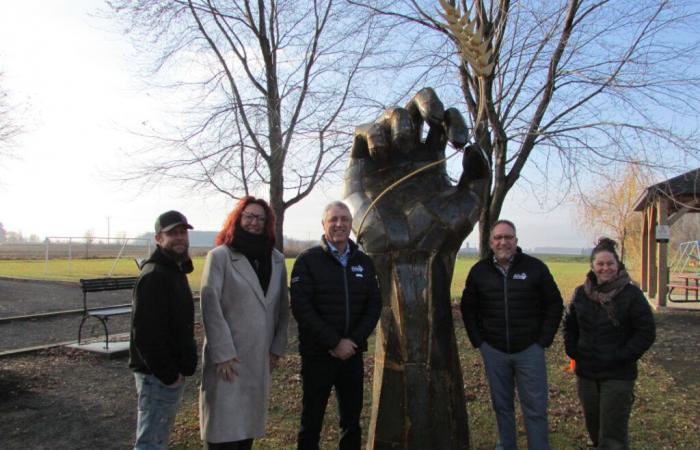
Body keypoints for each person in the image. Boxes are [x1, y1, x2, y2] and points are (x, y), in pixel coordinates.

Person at [460, 219, 564, 450]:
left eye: (508, 237)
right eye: (498, 238)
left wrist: (542, 341)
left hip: (530, 351)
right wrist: (480, 342)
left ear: (516, 241)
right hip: (494, 351)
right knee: (502, 405)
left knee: (535, 407)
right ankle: (506, 445)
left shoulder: (535, 268)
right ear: (490, 242)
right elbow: (469, 309)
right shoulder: (479, 271)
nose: (503, 242)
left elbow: (555, 304)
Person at [199, 197, 289, 450]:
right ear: (238, 218)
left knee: (245, 434)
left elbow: (283, 307)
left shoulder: (276, 260)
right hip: (229, 359)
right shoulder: (220, 257)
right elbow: (210, 305)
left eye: (260, 218)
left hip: (259, 358)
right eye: (249, 216)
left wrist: (276, 348)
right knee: (222, 433)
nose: (254, 222)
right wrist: (223, 353)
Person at [290, 201, 382, 450]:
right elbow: (302, 308)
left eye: (344, 219)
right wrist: (333, 342)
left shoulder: (364, 262)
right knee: (311, 422)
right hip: (317, 355)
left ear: (352, 225)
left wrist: (351, 342)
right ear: (323, 224)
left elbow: (374, 305)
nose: (339, 224)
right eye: (333, 219)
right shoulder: (307, 261)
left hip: (351, 356)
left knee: (351, 422)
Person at [563, 238, 655, 450]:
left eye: (610, 263)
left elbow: (646, 332)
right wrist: (573, 350)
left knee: (613, 434)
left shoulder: (631, 295)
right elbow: (570, 324)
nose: (605, 268)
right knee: (594, 427)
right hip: (586, 373)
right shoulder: (581, 293)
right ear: (593, 266)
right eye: (600, 264)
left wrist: (621, 356)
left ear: (618, 265)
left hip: (618, 374)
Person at [130, 210, 198, 450]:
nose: (180, 238)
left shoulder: (174, 270)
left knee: (158, 438)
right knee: (150, 443)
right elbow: (146, 335)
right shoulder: (155, 275)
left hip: (166, 375)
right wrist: (168, 375)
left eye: (182, 233)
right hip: (156, 377)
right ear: (159, 239)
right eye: (172, 234)